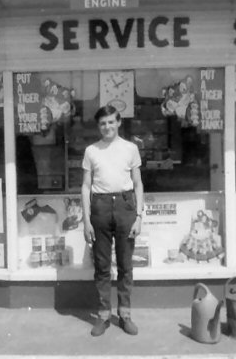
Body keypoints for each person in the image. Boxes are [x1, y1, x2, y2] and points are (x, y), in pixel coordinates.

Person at [81, 105, 144, 337]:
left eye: (110, 122)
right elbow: (86, 186)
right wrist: (86, 221)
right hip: (100, 207)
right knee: (102, 265)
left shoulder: (131, 148)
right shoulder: (91, 151)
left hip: (126, 206)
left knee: (126, 265)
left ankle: (125, 315)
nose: (107, 127)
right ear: (99, 126)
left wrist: (139, 216)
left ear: (118, 123)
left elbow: (138, 184)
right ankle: (103, 316)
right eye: (102, 123)